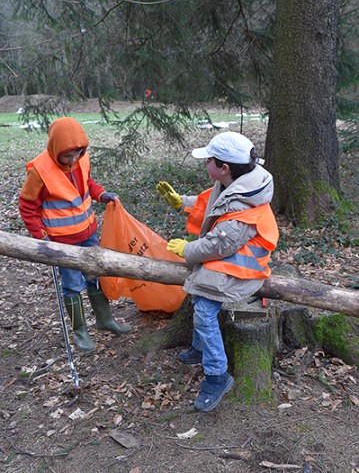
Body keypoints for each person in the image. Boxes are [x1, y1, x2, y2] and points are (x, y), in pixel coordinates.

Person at [156, 131, 279, 412]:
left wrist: (186, 250)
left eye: (209, 159)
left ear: (223, 167)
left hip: (241, 265)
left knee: (203, 308)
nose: (205, 163)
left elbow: (218, 244)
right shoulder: (233, 183)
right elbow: (211, 205)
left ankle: (217, 375)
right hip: (228, 254)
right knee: (199, 293)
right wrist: (183, 203)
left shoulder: (243, 205)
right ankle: (200, 348)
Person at [18, 116, 132, 353]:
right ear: (55, 149)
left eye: (77, 154)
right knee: (72, 285)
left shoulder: (82, 159)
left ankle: (105, 320)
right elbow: (27, 206)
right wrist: (41, 238)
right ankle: (80, 332)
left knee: (95, 276)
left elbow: (87, 183)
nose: (72, 159)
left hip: (88, 233)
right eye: (67, 155)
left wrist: (102, 195)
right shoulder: (39, 171)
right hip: (61, 242)